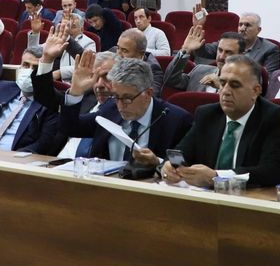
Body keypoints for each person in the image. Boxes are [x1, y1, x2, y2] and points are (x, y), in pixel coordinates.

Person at [163, 55, 280, 188]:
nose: (225, 91)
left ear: (255, 91)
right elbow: (181, 152)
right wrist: (169, 167)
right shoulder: (207, 114)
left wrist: (217, 177)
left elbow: (272, 171)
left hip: (249, 196)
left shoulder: (273, 117)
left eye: (235, 85)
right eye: (222, 83)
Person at [63, 54, 192, 164]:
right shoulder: (110, 108)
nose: (120, 105)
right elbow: (70, 128)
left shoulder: (176, 120)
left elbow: (183, 166)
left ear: (148, 94)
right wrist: (75, 91)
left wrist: (158, 162)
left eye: (127, 98)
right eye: (116, 96)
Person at [34, 32, 115, 114]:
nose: (99, 84)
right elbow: (45, 96)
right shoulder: (85, 96)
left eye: (107, 77)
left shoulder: (121, 111)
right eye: (94, 77)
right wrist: (47, 59)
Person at [190, 10, 280, 75]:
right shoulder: (228, 42)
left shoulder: (270, 49)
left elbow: (268, 78)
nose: (242, 29)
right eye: (240, 25)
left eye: (247, 25)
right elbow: (202, 52)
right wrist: (198, 27)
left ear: (258, 30)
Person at [164, 27, 240, 93]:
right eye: (220, 50)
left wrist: (221, 86)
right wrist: (185, 50)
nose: (222, 56)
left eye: (228, 52)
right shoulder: (199, 71)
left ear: (241, 55)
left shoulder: (244, 83)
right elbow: (170, 80)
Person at [114, 28, 165, 93]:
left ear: (141, 54)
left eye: (125, 51)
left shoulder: (153, 70)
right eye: (118, 48)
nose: (118, 54)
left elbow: (149, 96)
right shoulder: (112, 55)